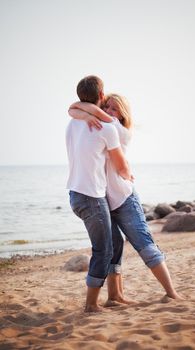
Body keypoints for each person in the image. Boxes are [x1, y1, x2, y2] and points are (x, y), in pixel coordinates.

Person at [68, 90, 184, 306]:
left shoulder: (117, 129)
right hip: (102, 199)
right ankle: (114, 296)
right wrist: (85, 115)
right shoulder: (99, 125)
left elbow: (75, 107)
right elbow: (75, 108)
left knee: (144, 244)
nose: (110, 112)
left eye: (115, 109)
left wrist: (86, 113)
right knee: (114, 245)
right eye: (107, 107)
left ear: (122, 115)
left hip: (123, 197)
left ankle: (171, 292)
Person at [66, 75, 132, 312]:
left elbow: (73, 110)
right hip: (91, 197)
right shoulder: (106, 128)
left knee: (115, 240)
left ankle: (114, 295)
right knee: (103, 249)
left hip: (76, 193)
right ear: (101, 96)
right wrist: (128, 177)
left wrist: (82, 111)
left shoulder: (73, 122)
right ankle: (91, 304)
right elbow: (121, 165)